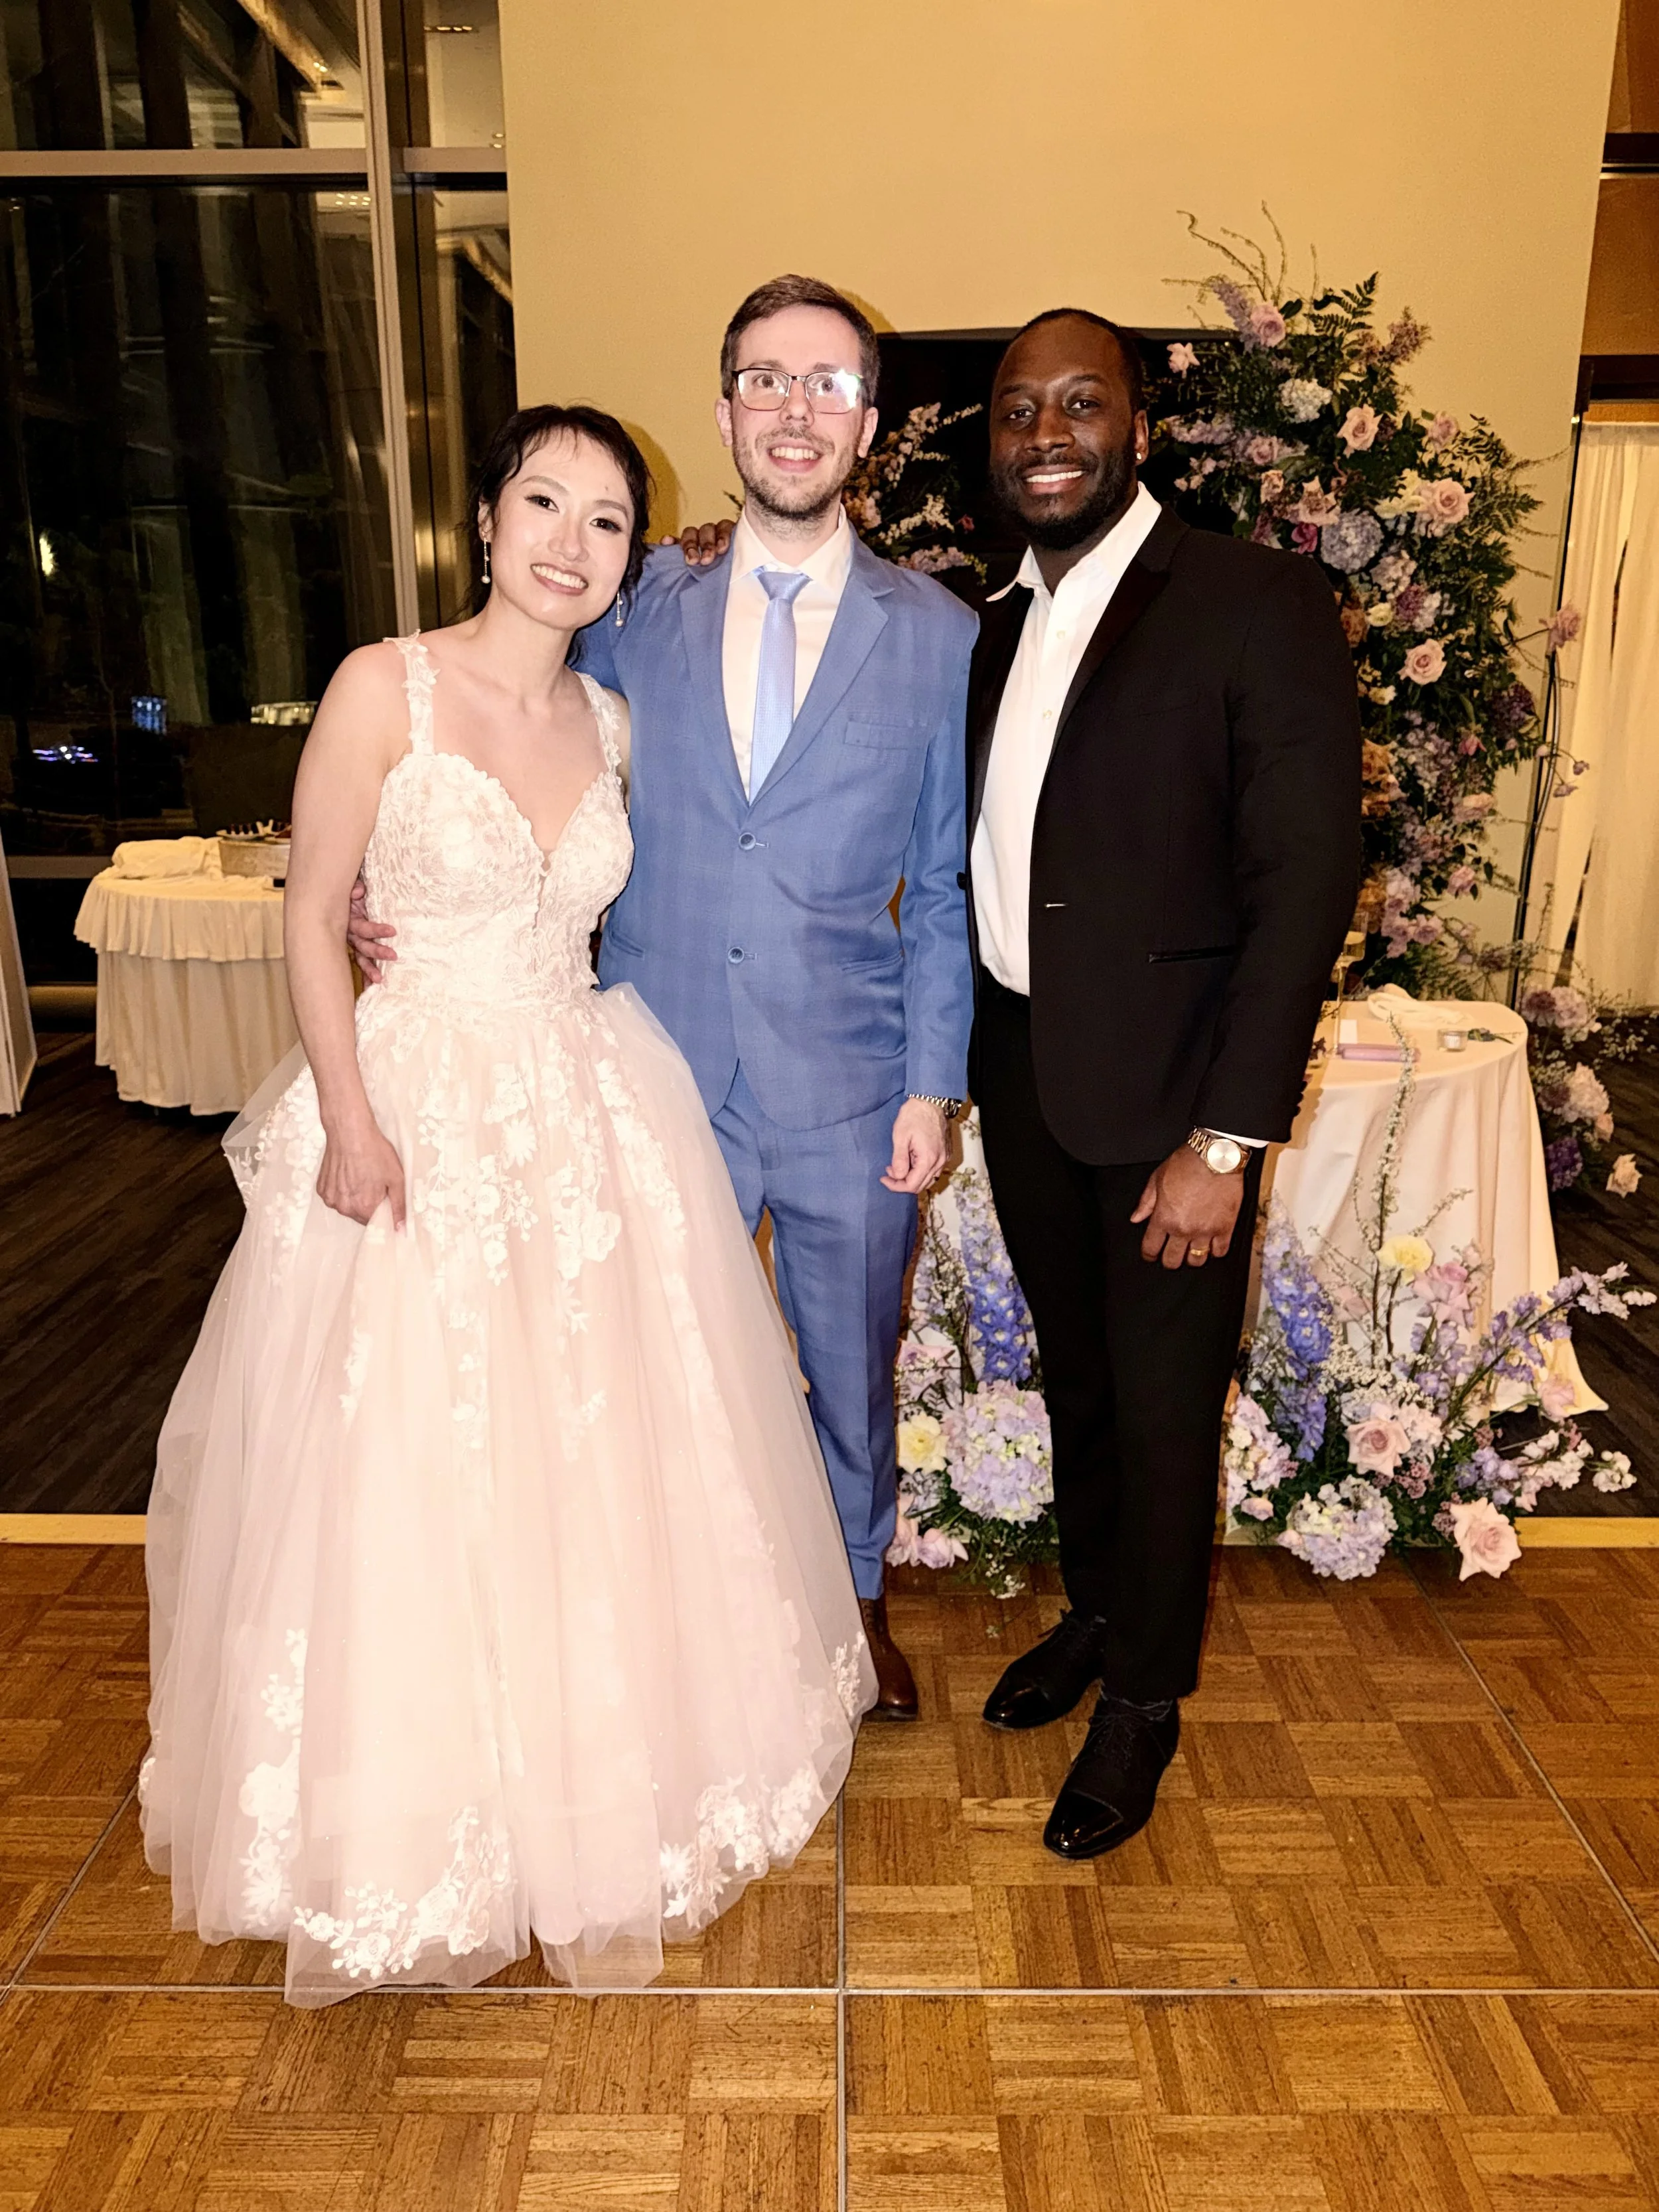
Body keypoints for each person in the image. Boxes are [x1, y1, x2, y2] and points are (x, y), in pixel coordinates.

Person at [141, 405, 875, 2007]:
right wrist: (345, 1112)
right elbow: (310, 910)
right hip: (406, 1110)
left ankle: (598, 1774)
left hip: (581, 1104)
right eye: (542, 501)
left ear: (627, 561)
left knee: (591, 1446)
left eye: (607, 520)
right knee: (406, 1453)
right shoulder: (381, 684)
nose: (568, 539)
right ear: (485, 521)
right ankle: (415, 1809)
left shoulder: (613, 724)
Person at [351, 276, 978, 1718]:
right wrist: (378, 886)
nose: (794, 410)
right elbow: (499, 736)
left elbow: (940, 890)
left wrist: (930, 1085)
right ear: (725, 411)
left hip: (850, 1081)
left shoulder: (940, 639)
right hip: (642, 1071)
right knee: (640, 1367)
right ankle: (671, 1615)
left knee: (845, 1370)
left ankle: (854, 1600)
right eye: (766, 380)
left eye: (827, 384)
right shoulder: (634, 600)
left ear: (867, 422)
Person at [969, 309, 1360, 1858]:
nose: (1044, 433)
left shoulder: (1249, 602)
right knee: (1076, 1382)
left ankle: (1144, 1695)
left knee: (1157, 1406)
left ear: (1139, 425)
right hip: (1021, 1062)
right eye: (1015, 410)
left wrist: (1225, 1138)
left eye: (1079, 403)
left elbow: (1303, 875)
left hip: (1173, 1107)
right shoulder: (988, 618)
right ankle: (1096, 1612)